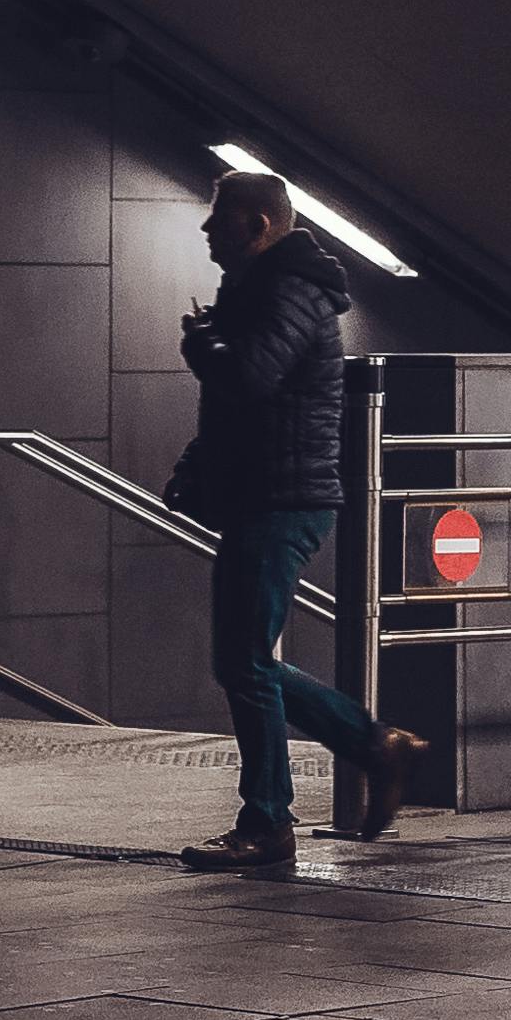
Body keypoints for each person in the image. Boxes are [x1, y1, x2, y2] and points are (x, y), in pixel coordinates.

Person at [168, 170, 428, 869]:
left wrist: (203, 347)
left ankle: (274, 817)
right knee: (242, 661)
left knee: (244, 662)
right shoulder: (259, 288)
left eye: (218, 217)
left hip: (285, 498)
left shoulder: (290, 289)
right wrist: (199, 465)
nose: (206, 229)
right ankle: (366, 751)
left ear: (258, 225)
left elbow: (251, 377)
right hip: (265, 492)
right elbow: (245, 406)